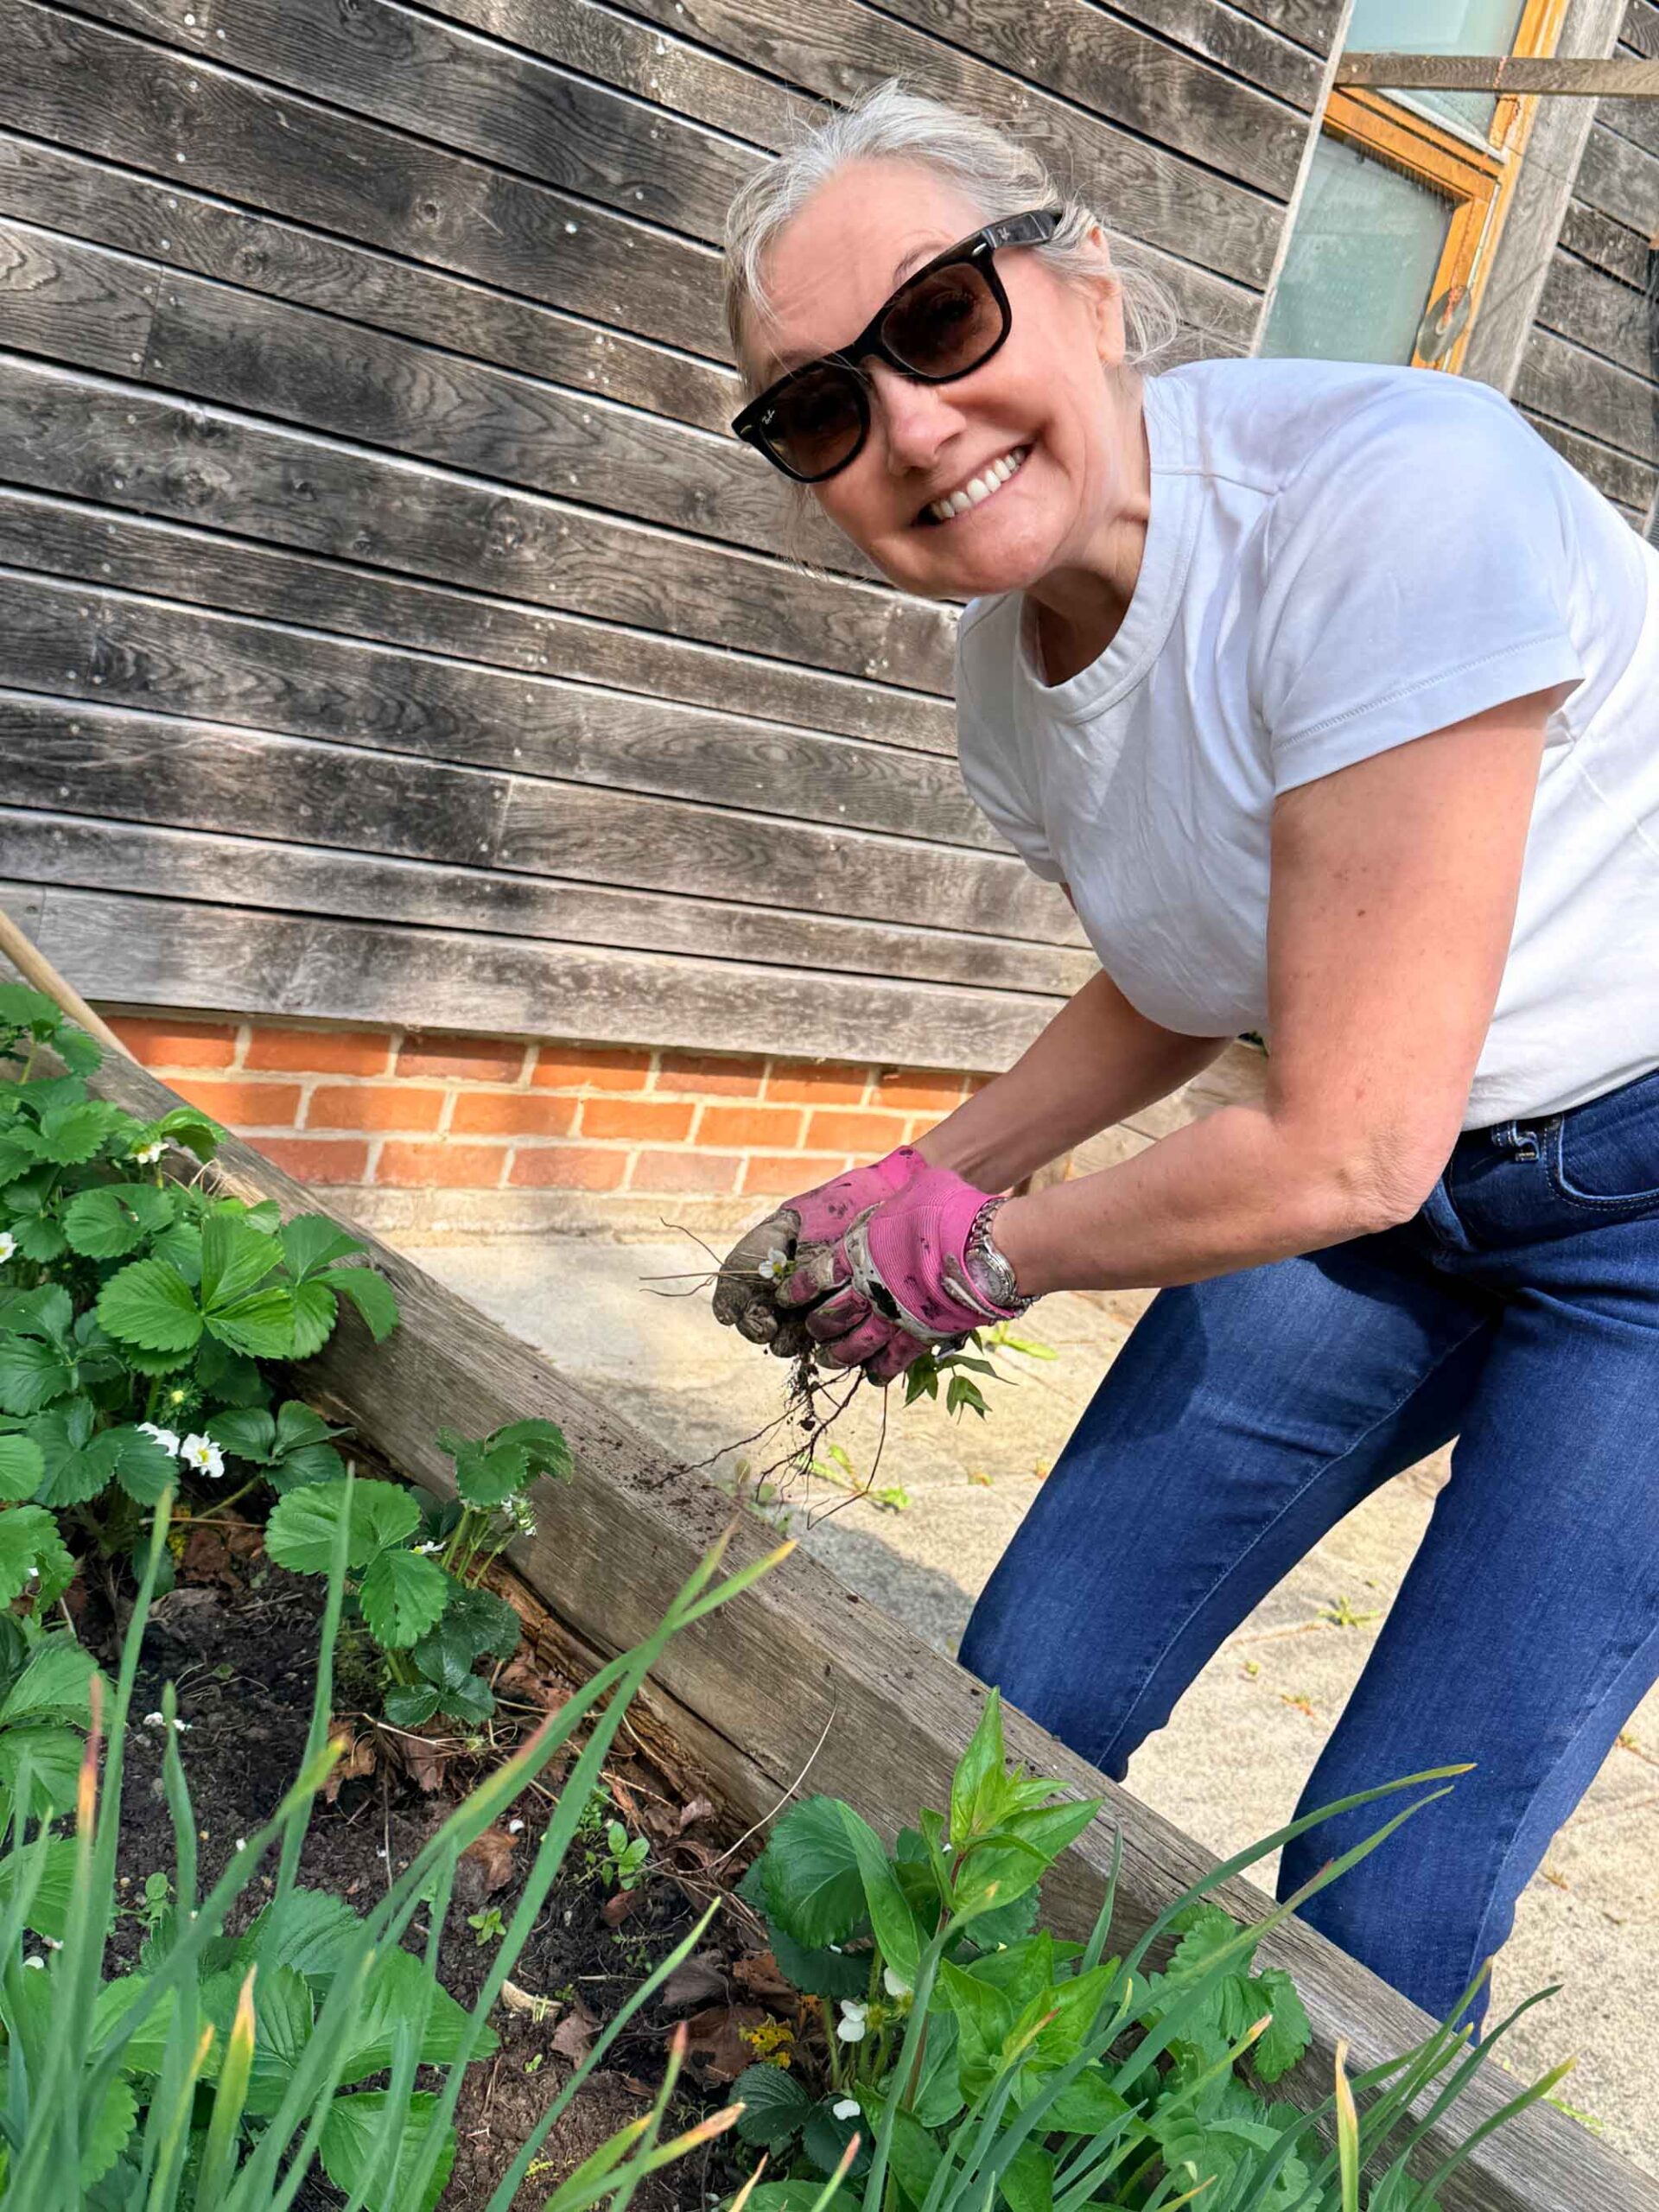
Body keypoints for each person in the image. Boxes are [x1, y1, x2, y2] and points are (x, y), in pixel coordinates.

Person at [710, 78, 1659, 2034]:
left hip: (1626, 1206)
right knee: (1031, 1686)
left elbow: (1343, 1146)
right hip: (1390, 1185)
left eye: (940, 319)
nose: (910, 427)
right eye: (820, 411)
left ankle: (1331, 2157)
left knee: (1377, 1888)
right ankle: (951, 2094)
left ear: (1093, 285)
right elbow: (1189, 972)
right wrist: (928, 1176)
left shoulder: (1394, 500)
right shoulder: (1008, 677)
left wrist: (982, 1257)